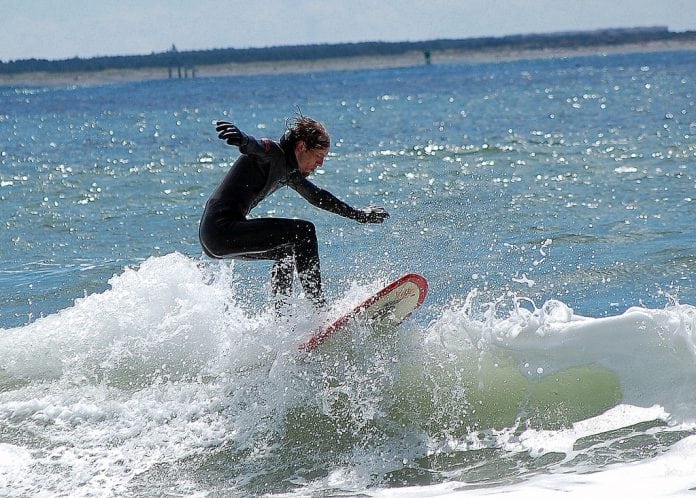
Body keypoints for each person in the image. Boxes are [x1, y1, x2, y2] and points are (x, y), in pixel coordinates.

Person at [199, 114, 389, 310]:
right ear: (301, 147)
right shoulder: (273, 153)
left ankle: (283, 318)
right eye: (319, 157)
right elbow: (256, 147)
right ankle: (319, 308)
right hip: (221, 230)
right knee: (303, 231)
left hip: (215, 237)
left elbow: (318, 196)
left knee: (287, 251)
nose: (320, 164)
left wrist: (358, 214)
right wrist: (243, 140)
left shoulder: (288, 170)